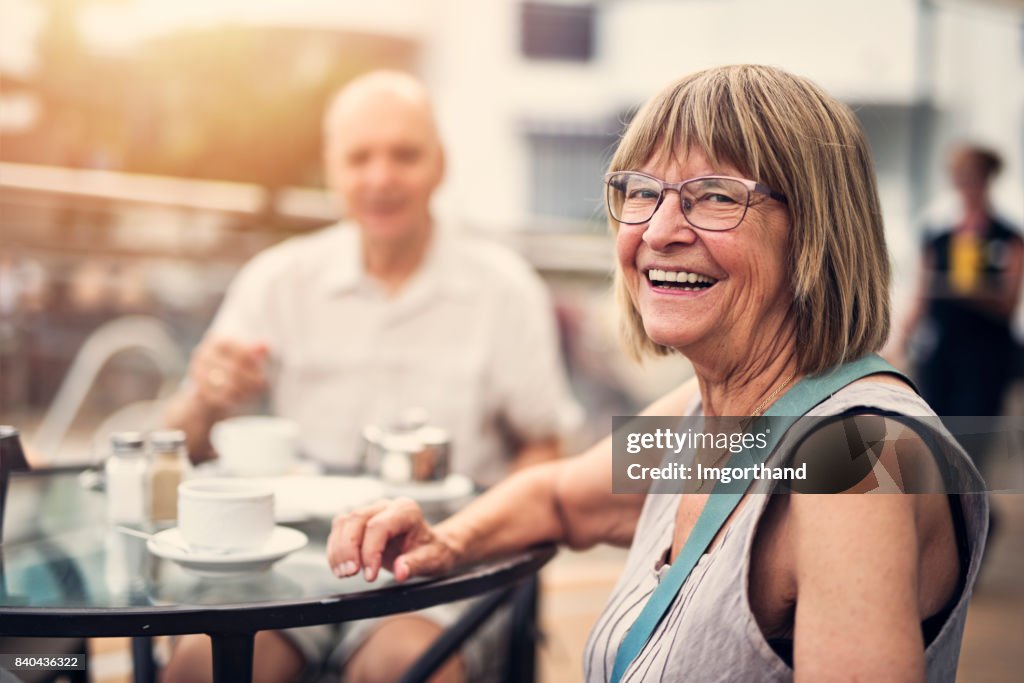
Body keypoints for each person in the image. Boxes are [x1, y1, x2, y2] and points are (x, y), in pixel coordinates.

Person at [328, 65, 989, 682]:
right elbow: (559, 497)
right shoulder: (706, 416)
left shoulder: (853, 467)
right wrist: (445, 539)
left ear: (816, 231)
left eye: (714, 197)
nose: (659, 229)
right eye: (643, 191)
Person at [162, 71, 579, 683]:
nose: (381, 178)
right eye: (360, 158)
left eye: (404, 155)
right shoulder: (278, 280)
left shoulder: (504, 289)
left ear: (440, 164)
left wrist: (471, 537)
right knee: (204, 668)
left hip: (438, 568)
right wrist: (206, 397)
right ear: (332, 170)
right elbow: (182, 444)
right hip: (283, 562)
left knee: (400, 666)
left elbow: (545, 446)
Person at [897, 144, 1023, 426]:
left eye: (971, 176)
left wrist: (966, 289)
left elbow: (1008, 301)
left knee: (973, 434)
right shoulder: (938, 237)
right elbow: (921, 295)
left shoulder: (1007, 237)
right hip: (943, 352)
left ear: (987, 178)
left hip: (987, 354)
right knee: (936, 432)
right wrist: (899, 343)